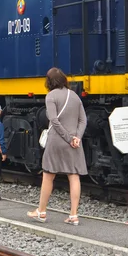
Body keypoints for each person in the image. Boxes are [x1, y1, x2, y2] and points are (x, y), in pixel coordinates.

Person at [27, 67, 88, 225]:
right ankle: (73, 215)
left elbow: (54, 120)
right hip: (74, 142)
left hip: (57, 140)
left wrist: (68, 138)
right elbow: (83, 120)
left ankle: (41, 212)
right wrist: (76, 138)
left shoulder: (50, 96)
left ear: (49, 81)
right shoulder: (74, 96)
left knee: (48, 175)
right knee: (74, 175)